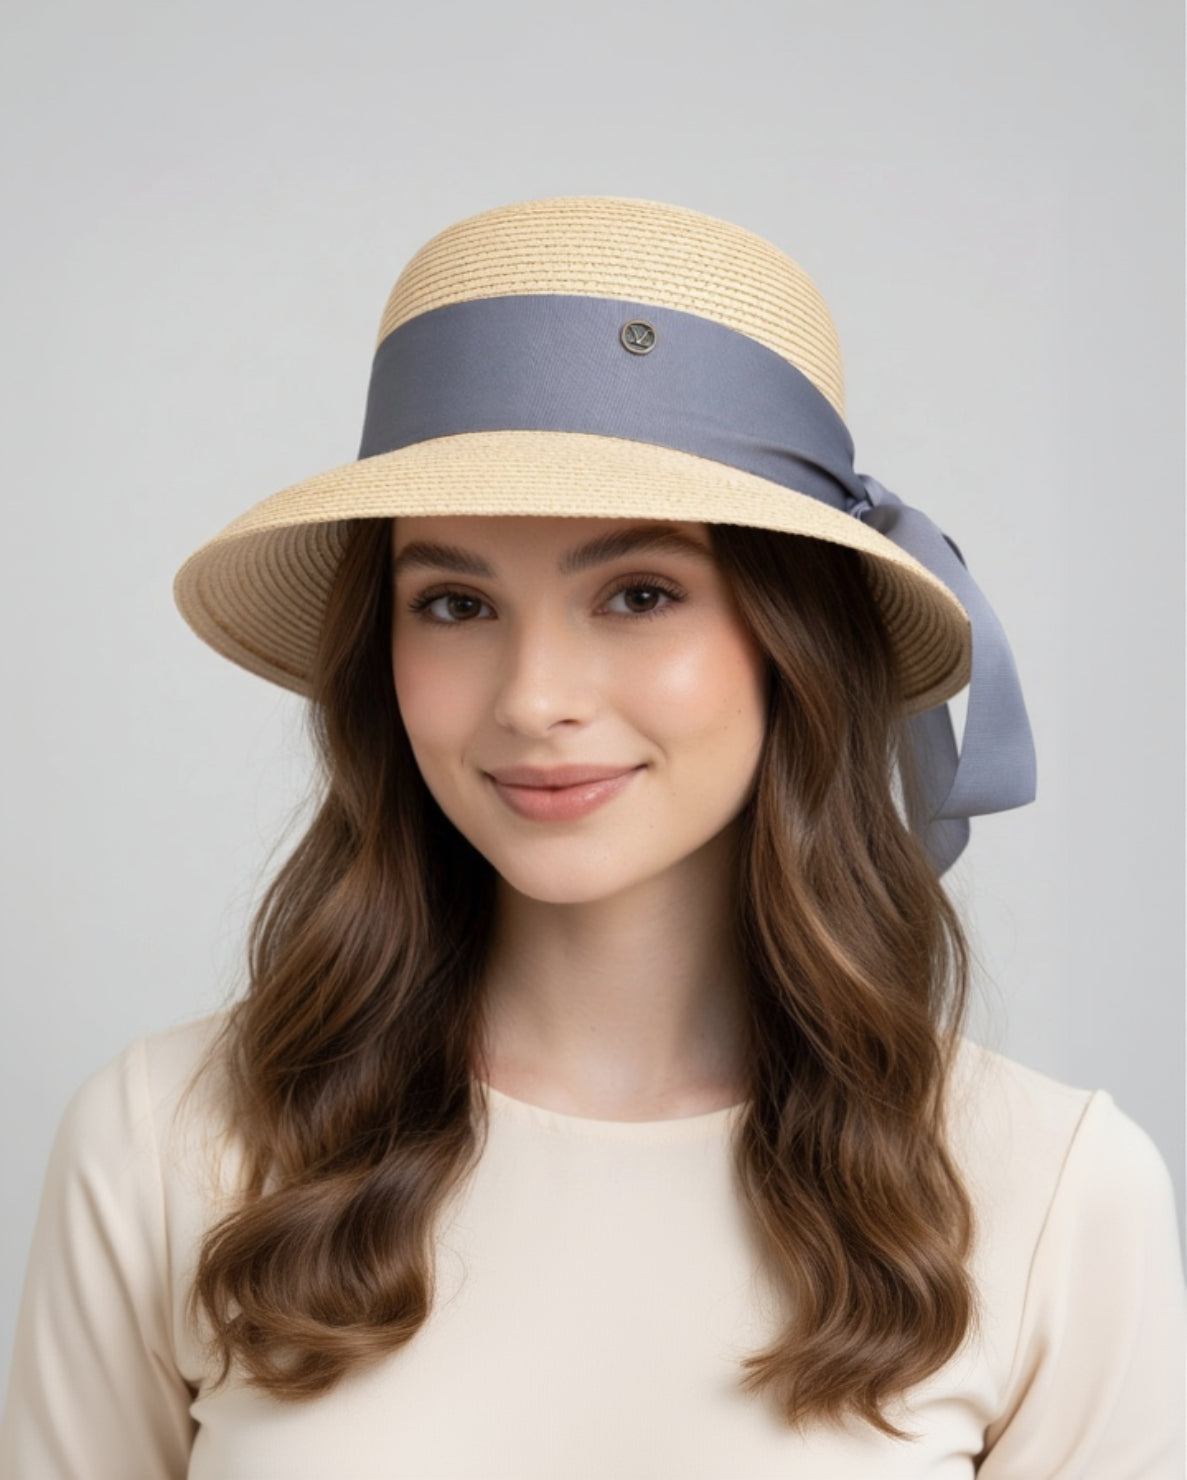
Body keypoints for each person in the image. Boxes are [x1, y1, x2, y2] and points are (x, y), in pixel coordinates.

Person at [1, 195, 1182, 1478]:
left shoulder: (1053, 1197)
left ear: (794, 641)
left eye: (638, 593)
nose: (532, 698)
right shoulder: (164, 1145)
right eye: (454, 603)